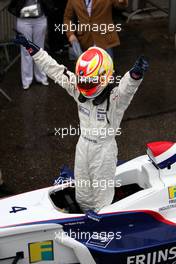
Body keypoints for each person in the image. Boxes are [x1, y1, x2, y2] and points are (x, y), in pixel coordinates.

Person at [14, 32, 149, 213]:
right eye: (83, 80)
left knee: (102, 196)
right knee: (83, 191)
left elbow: (127, 88)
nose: (84, 85)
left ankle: (103, 224)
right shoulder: (78, 89)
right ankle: (82, 217)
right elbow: (55, 70)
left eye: (89, 81)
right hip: (83, 145)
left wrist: (135, 75)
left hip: (104, 151)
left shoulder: (115, 99)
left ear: (104, 77)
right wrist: (33, 50)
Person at [8, 0, 55, 90]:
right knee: (26, 50)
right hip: (23, 20)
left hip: (40, 19)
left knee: (39, 50)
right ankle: (26, 80)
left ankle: (41, 77)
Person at [64, 0, 128, 58]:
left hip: (105, 38)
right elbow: (67, 18)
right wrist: (71, 34)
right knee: (87, 68)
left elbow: (120, 6)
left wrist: (122, 1)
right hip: (84, 40)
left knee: (107, 68)